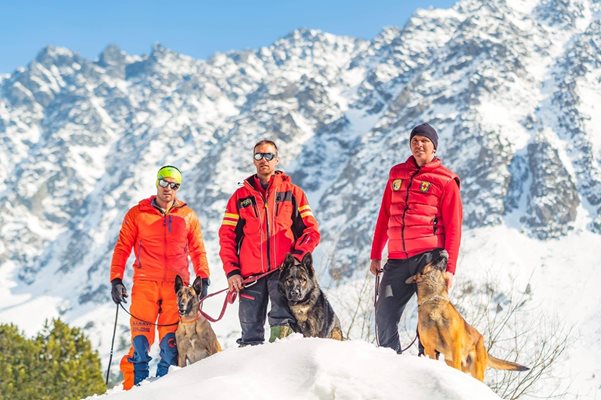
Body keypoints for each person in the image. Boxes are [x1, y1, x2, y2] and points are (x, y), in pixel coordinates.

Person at [109, 165, 211, 390]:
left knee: (170, 345)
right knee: (140, 342)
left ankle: (164, 391)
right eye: (164, 182)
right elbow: (122, 248)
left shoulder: (187, 216)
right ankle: (135, 392)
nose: (168, 188)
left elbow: (198, 249)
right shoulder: (137, 214)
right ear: (157, 183)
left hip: (176, 290)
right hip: (145, 284)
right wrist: (116, 279)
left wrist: (203, 275)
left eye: (174, 185)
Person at [369, 123, 463, 353]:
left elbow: (454, 227)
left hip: (430, 259)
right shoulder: (396, 173)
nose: (418, 144)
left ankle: (427, 364)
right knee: (384, 313)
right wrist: (375, 255)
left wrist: (449, 269)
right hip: (397, 259)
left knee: (431, 316)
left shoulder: (446, 180)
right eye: (414, 140)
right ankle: (392, 362)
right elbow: (384, 215)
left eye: (424, 141)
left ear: (434, 148)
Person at [219, 139, 320, 346]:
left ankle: (281, 373)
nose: (263, 160)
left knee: (282, 330)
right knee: (250, 333)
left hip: (283, 275)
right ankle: (251, 376)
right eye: (259, 156)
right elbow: (227, 237)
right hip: (249, 278)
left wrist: (298, 258)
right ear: (253, 160)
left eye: (268, 155)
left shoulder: (293, 193)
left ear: (277, 159)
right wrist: (232, 272)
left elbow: (311, 231)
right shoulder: (239, 198)